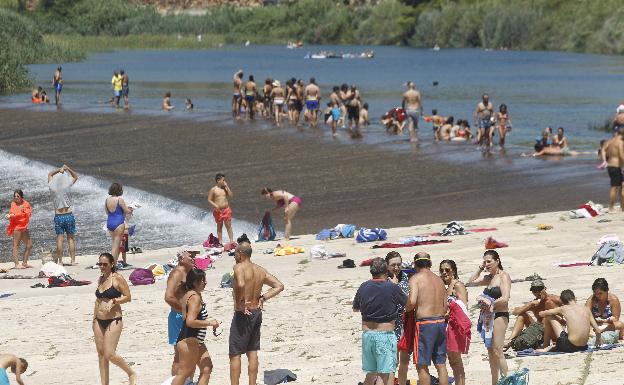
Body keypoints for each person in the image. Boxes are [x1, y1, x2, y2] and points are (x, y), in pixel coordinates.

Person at [229, 243, 284, 385]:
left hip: (243, 313)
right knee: (252, 351)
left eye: (235, 253)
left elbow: (241, 284)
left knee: (235, 354)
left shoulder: (238, 267)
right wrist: (263, 297)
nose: (234, 255)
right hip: (256, 312)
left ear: (241, 253)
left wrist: (240, 301)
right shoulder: (260, 270)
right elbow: (279, 286)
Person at [353, 257, 407, 385]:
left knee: (371, 373)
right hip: (384, 335)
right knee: (384, 375)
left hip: (367, 335)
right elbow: (408, 304)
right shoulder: (391, 287)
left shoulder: (363, 286)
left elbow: (355, 308)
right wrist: (395, 286)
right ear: (386, 270)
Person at [404, 252, 449, 385]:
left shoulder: (415, 279)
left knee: (421, 364)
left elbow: (411, 303)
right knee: (440, 364)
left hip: (425, 324)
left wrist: (404, 308)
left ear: (415, 264)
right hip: (440, 322)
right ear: (430, 264)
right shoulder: (439, 280)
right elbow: (445, 305)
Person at [93, 252, 136, 385]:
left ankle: (131, 372)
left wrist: (114, 301)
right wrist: (94, 318)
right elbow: (98, 300)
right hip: (98, 320)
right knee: (101, 354)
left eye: (105, 264)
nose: (102, 266)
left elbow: (128, 297)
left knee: (110, 354)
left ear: (112, 264)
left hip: (114, 319)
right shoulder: (101, 279)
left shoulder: (117, 278)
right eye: (100, 264)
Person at [468, 250, 510, 385]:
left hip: (500, 315)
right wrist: (480, 268)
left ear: (497, 261)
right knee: (491, 353)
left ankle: (508, 381)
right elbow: (471, 281)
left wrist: (489, 303)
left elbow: (505, 298)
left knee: (498, 351)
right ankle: (495, 382)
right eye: (484, 261)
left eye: (489, 261)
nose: (486, 264)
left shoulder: (504, 276)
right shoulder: (488, 278)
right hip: (488, 316)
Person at [173, 268, 220, 385]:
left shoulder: (189, 294)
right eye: (203, 280)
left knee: (207, 368)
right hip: (189, 340)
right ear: (195, 282)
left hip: (195, 340)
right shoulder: (194, 297)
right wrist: (210, 323)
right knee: (184, 372)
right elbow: (190, 321)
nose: (205, 282)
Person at [165, 249, 198, 376]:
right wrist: (184, 310)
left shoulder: (190, 272)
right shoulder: (177, 273)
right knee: (180, 355)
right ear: (181, 259)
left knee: (192, 353)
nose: (193, 258)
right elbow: (169, 297)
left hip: (190, 317)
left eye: (194, 255)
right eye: (190, 256)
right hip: (179, 317)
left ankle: (187, 381)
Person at [537, 289, 602, 353]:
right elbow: (598, 331)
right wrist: (598, 340)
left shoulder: (563, 308)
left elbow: (541, 314)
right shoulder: (586, 309)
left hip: (568, 347)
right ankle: (552, 346)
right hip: (583, 347)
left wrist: (557, 315)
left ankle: (545, 346)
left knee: (549, 316)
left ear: (562, 302)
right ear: (574, 298)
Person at [504, 279, 561, 349]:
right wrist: (529, 305)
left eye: (540, 289)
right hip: (539, 331)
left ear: (545, 288)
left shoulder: (555, 300)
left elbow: (571, 307)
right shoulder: (534, 304)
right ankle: (510, 339)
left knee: (549, 318)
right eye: (535, 291)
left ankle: (546, 343)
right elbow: (515, 312)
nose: (538, 293)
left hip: (554, 331)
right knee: (522, 315)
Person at [439, 259, 469, 385]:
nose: (444, 272)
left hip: (456, 327)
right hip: (448, 326)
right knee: (452, 361)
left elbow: (463, 306)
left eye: (447, 269)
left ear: (454, 270)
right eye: (441, 270)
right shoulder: (447, 286)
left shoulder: (458, 285)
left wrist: (448, 314)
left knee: (456, 361)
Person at [386, 252, 410, 385]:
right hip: (390, 325)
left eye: (398, 264)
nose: (396, 268)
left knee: (405, 360)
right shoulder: (383, 280)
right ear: (386, 266)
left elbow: (409, 299)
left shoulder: (406, 277)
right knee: (392, 361)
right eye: (393, 265)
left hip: (406, 323)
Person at [48, 164, 79, 265]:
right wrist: (67, 168)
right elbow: (75, 176)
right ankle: (73, 261)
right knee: (71, 238)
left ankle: (60, 262)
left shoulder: (52, 186)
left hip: (58, 216)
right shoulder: (67, 184)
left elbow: (50, 174)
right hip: (68, 214)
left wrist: (58, 170)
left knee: (59, 239)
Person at [105, 183, 133, 263]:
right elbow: (127, 211)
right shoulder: (119, 199)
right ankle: (111, 265)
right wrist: (131, 209)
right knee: (116, 246)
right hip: (119, 223)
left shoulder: (107, 200)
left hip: (110, 222)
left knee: (114, 244)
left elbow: (107, 212)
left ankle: (115, 264)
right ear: (119, 190)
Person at [5, 190, 33, 269]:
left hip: (24, 227)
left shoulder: (26, 203)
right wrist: (10, 215)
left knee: (29, 245)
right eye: (15, 196)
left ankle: (24, 263)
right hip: (16, 227)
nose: (16, 198)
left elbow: (28, 213)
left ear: (21, 197)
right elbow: (12, 213)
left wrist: (15, 215)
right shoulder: (13, 204)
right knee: (16, 245)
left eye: (18, 196)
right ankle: (17, 264)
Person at [600, 128, 624, 211]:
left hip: (610, 166)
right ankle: (611, 207)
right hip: (616, 166)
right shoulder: (620, 142)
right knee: (615, 187)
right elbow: (621, 155)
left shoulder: (610, 141)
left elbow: (603, 149)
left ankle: (622, 207)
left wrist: (604, 160)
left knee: (621, 186)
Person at [207, 173, 233, 245]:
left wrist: (227, 186)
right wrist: (215, 205)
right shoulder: (213, 189)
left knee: (228, 225)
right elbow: (209, 200)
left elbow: (231, 195)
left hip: (226, 209)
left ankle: (231, 241)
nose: (224, 181)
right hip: (218, 210)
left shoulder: (224, 188)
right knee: (219, 226)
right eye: (223, 180)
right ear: (218, 180)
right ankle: (220, 242)